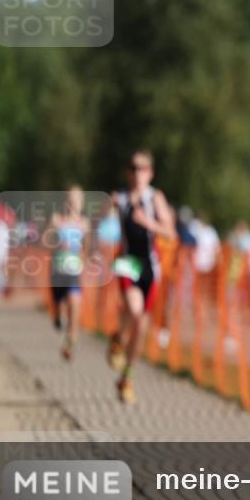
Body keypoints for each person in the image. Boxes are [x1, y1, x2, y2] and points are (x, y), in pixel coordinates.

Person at [106, 150, 176, 403]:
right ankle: (118, 338)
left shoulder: (155, 198)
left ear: (151, 173)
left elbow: (170, 233)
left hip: (150, 266)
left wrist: (148, 222)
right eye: (134, 168)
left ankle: (127, 377)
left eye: (143, 169)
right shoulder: (120, 198)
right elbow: (96, 223)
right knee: (135, 311)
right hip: (128, 261)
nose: (138, 173)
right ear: (128, 172)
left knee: (141, 325)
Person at [47, 186, 89, 360]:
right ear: (65, 201)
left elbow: (88, 247)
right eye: (70, 199)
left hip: (74, 272)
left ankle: (70, 343)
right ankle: (56, 314)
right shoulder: (56, 220)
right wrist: (55, 240)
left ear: (82, 203)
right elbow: (44, 240)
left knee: (74, 304)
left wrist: (85, 258)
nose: (73, 203)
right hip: (57, 271)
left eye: (77, 200)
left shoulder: (84, 223)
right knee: (59, 305)